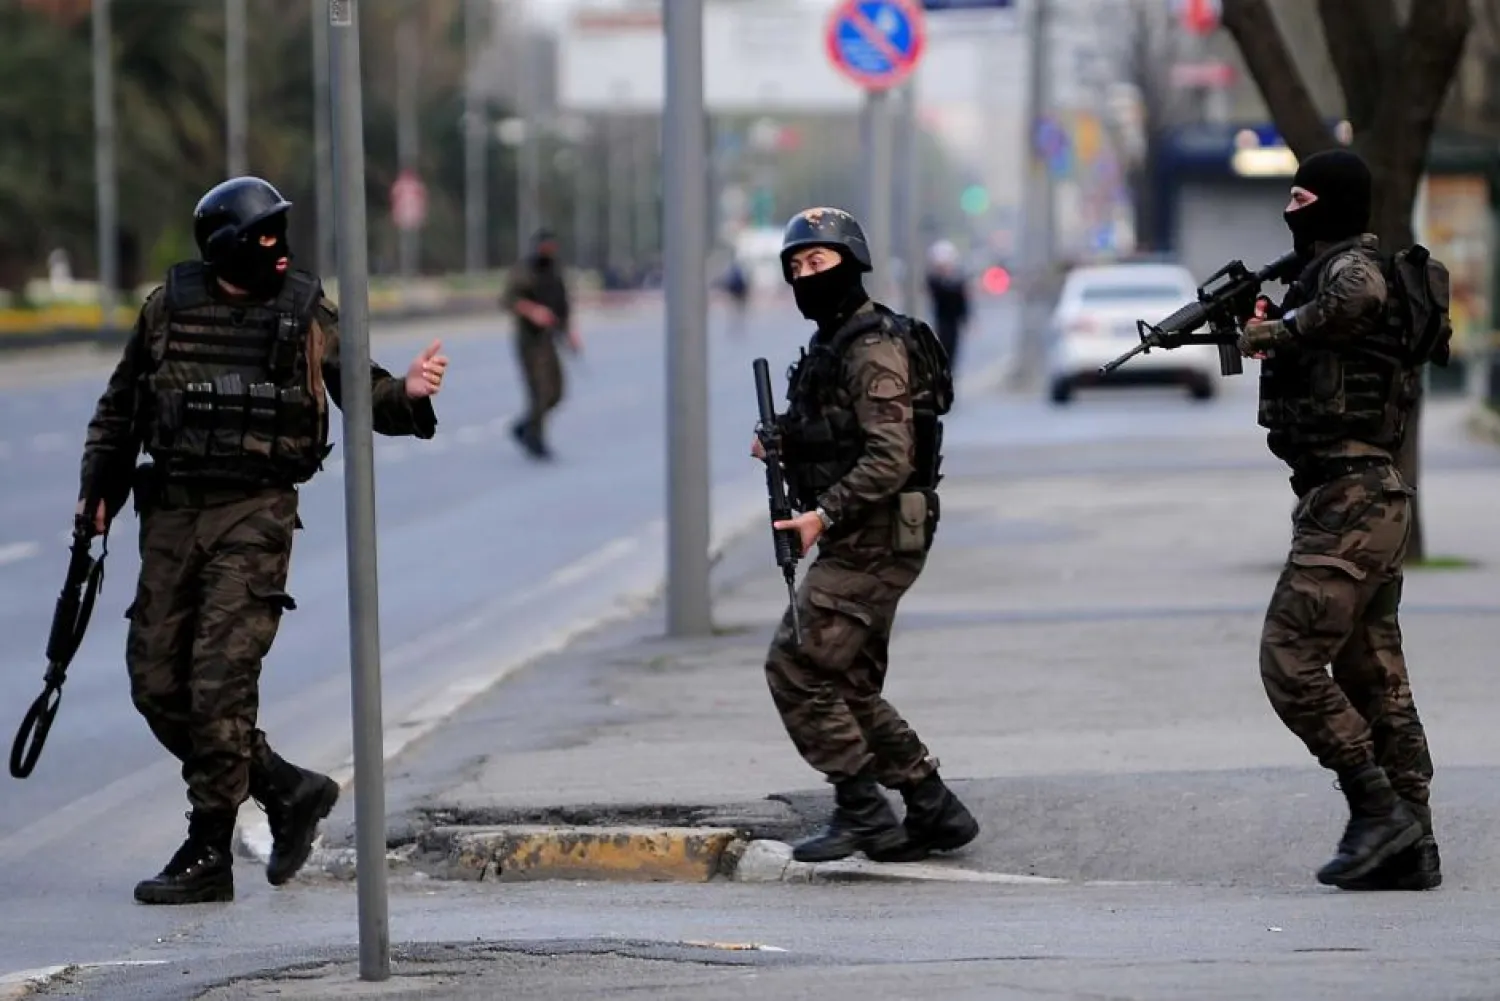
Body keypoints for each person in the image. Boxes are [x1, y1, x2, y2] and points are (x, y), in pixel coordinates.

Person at [75, 176, 448, 905]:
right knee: (157, 686)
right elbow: (119, 411)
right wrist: (98, 493)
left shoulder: (305, 310)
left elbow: (362, 387)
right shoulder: (167, 309)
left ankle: (209, 847)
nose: (279, 249)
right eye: (265, 236)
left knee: (219, 685)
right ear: (228, 247)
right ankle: (285, 786)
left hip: (255, 513)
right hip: (172, 515)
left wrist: (412, 391)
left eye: (284, 234)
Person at [1237, 148, 1448, 891]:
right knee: (1372, 673)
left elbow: (1355, 298)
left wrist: (1278, 331)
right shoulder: (1315, 276)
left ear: (1329, 204)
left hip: (1351, 499)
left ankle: (1377, 808)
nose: (1291, 211)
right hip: (1360, 496)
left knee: (1288, 657)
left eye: (1301, 197)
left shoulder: (1351, 268)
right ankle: (1412, 843)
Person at [751, 207, 979, 864]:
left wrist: (823, 512)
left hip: (876, 530)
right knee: (845, 677)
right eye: (795, 267)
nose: (805, 275)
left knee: (795, 662)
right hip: (862, 529)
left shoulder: (871, 345)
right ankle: (934, 807)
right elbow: (837, 430)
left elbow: (889, 455)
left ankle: (862, 809)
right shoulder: (835, 344)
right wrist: (785, 440)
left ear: (852, 264)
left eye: (817, 262)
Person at [503, 228, 581, 460]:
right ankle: (535, 439)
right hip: (530, 340)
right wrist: (532, 311)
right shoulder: (525, 270)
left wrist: (571, 333)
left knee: (556, 392)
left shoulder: (555, 272)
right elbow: (509, 299)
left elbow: (563, 306)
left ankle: (524, 427)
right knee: (539, 392)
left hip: (550, 340)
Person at [924, 240, 970, 371]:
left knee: (952, 352)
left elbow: (963, 301)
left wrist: (967, 318)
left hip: (953, 322)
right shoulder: (935, 281)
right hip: (941, 321)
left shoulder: (958, 281)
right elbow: (935, 290)